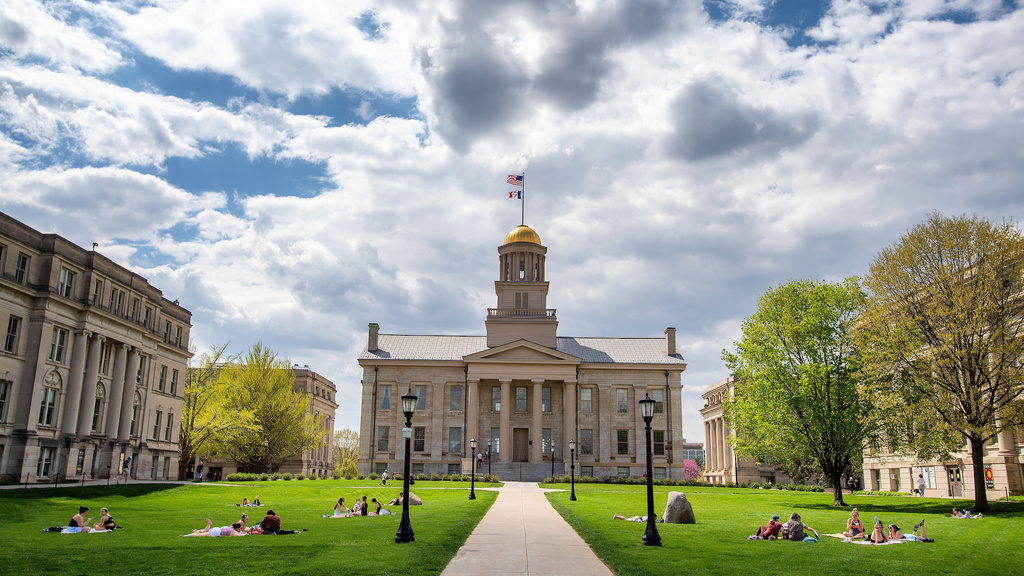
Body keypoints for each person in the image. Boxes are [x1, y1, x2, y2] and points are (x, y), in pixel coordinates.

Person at [179, 519, 245, 537]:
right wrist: (246, 534)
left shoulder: (231, 527)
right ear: (237, 529)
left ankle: (204, 527)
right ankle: (184, 536)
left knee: (204, 532)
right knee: (199, 535)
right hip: (216, 532)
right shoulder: (234, 532)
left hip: (217, 528)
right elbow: (238, 535)